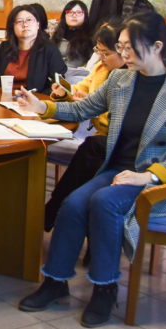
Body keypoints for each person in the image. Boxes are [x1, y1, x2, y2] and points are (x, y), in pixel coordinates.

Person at [16, 12, 166, 328]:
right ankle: (55, 281)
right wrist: (43, 106)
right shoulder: (121, 80)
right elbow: (83, 108)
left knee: (103, 202)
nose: (123, 54)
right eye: (121, 47)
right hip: (117, 171)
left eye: (129, 47)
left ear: (157, 47)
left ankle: (105, 288)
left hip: (158, 181)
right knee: (73, 202)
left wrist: (148, 175)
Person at [44, 23, 127, 231]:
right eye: (98, 51)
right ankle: (61, 210)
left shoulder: (130, 76)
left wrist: (93, 108)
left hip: (118, 143)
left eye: (106, 53)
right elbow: (79, 92)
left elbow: (122, 119)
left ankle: (56, 208)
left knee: (91, 151)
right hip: (100, 139)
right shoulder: (101, 69)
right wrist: (64, 92)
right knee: (91, 152)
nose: (101, 58)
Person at [0, 5, 67, 95]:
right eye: (20, 21)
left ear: (37, 24)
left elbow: (56, 84)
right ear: (13, 27)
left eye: (29, 20)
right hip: (4, 98)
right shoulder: (4, 48)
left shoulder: (49, 50)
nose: (25, 24)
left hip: (36, 99)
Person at [52, 0, 93, 68]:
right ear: (64, 16)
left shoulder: (90, 37)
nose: (74, 15)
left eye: (79, 12)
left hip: (78, 73)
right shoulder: (58, 35)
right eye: (70, 12)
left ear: (85, 15)